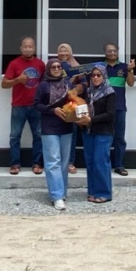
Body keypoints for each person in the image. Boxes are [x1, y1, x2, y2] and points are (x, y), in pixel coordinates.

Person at [34, 58, 76, 211]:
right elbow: (36, 104)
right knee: (53, 161)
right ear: (49, 69)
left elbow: (74, 100)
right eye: (53, 67)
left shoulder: (67, 84)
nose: (57, 69)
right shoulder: (43, 85)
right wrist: (53, 110)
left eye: (59, 67)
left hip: (66, 126)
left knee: (64, 162)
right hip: (49, 127)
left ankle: (62, 192)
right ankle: (56, 196)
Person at [1, 36, 45, 175]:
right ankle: (15, 164)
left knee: (38, 135)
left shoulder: (40, 64)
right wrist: (17, 80)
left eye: (30, 46)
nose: (28, 49)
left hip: (36, 106)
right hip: (19, 105)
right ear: (21, 48)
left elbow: (45, 84)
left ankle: (37, 163)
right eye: (25, 46)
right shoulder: (14, 64)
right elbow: (4, 84)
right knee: (15, 136)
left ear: (34, 48)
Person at [77, 63, 117, 203]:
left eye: (98, 75)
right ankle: (93, 191)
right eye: (93, 75)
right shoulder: (89, 92)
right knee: (91, 162)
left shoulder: (109, 92)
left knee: (101, 162)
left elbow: (110, 114)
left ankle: (104, 193)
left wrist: (91, 120)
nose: (95, 78)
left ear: (104, 76)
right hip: (88, 131)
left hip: (103, 132)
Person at [98, 41, 136, 176]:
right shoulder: (100, 67)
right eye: (110, 51)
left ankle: (119, 165)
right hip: (103, 109)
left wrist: (131, 70)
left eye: (114, 50)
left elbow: (131, 83)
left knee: (119, 138)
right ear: (105, 52)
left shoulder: (124, 67)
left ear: (118, 51)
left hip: (119, 107)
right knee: (104, 137)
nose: (112, 53)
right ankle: (104, 165)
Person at [54, 42, 82, 175]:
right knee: (54, 134)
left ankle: (70, 162)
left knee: (72, 134)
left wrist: (76, 89)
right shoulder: (54, 66)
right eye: (61, 51)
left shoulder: (77, 67)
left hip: (71, 105)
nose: (63, 54)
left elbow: (84, 84)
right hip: (56, 105)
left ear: (70, 52)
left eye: (66, 51)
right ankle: (56, 161)